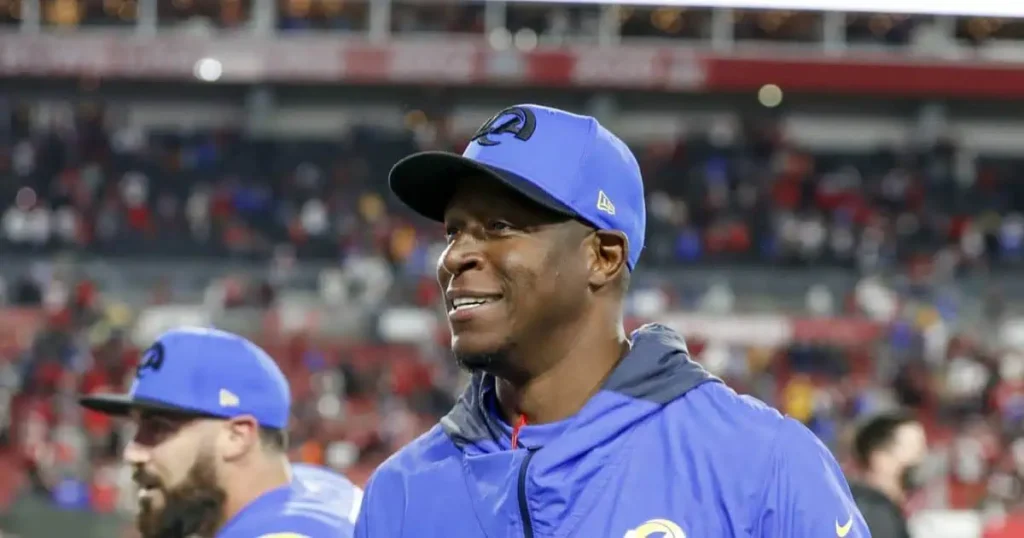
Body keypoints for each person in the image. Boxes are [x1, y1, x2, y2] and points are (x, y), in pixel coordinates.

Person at [355, 104, 869, 537]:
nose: (454, 257)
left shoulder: (760, 463)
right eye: (453, 233)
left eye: (498, 226)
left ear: (602, 256)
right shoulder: (400, 493)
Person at [79, 327, 361, 538]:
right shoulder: (319, 485)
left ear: (237, 437)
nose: (131, 451)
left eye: (159, 428)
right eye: (137, 427)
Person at [849, 411, 928, 538]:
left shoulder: (881, 510)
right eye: (915, 449)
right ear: (879, 458)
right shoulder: (874, 513)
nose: (921, 459)